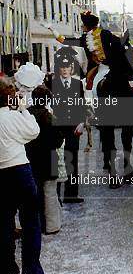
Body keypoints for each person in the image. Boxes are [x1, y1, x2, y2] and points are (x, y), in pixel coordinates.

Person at [0, 76, 51, 274]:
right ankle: (31, 273)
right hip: (20, 169)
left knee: (4, 224)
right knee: (30, 222)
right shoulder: (13, 117)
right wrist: (23, 109)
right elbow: (33, 131)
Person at [49, 10, 133, 100]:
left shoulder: (104, 34)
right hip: (104, 66)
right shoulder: (90, 37)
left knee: (89, 86)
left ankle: (91, 106)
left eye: (83, 25)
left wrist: (53, 30)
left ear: (87, 26)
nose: (82, 27)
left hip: (110, 66)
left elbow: (65, 40)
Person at [49, 47, 85, 204]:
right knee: (55, 162)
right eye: (62, 67)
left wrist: (82, 123)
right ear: (59, 69)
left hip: (73, 128)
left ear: (72, 68)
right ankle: (55, 196)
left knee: (72, 160)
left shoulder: (77, 84)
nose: (65, 70)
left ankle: (71, 195)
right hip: (57, 129)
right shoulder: (52, 84)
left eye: (67, 67)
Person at [26, 85, 64, 234]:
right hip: (49, 158)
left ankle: (34, 225)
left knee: (33, 194)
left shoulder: (26, 115)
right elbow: (58, 140)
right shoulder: (50, 117)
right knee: (50, 193)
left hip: (30, 158)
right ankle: (52, 225)